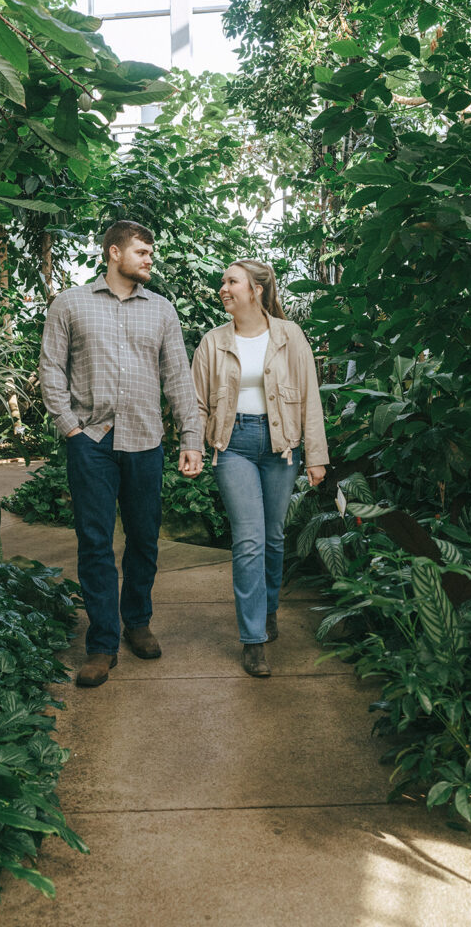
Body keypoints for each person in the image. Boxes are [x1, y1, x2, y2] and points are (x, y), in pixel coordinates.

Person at [40, 220, 203, 688]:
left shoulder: (162, 310)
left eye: (151, 251)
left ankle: (137, 621)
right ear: (113, 253)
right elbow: (51, 368)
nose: (150, 258)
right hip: (91, 441)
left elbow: (177, 378)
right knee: (94, 543)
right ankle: (102, 643)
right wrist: (69, 427)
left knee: (145, 538)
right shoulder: (71, 303)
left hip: (145, 440)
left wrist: (190, 437)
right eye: (142, 251)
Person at [191, 260, 329, 677]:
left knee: (272, 538)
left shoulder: (290, 336)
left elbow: (310, 396)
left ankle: (268, 611)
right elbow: (197, 403)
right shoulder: (212, 342)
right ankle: (253, 639)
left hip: (280, 447)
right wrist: (191, 447)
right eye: (223, 282)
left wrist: (316, 455)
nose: (223, 288)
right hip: (232, 447)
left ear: (256, 290)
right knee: (248, 539)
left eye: (231, 282)